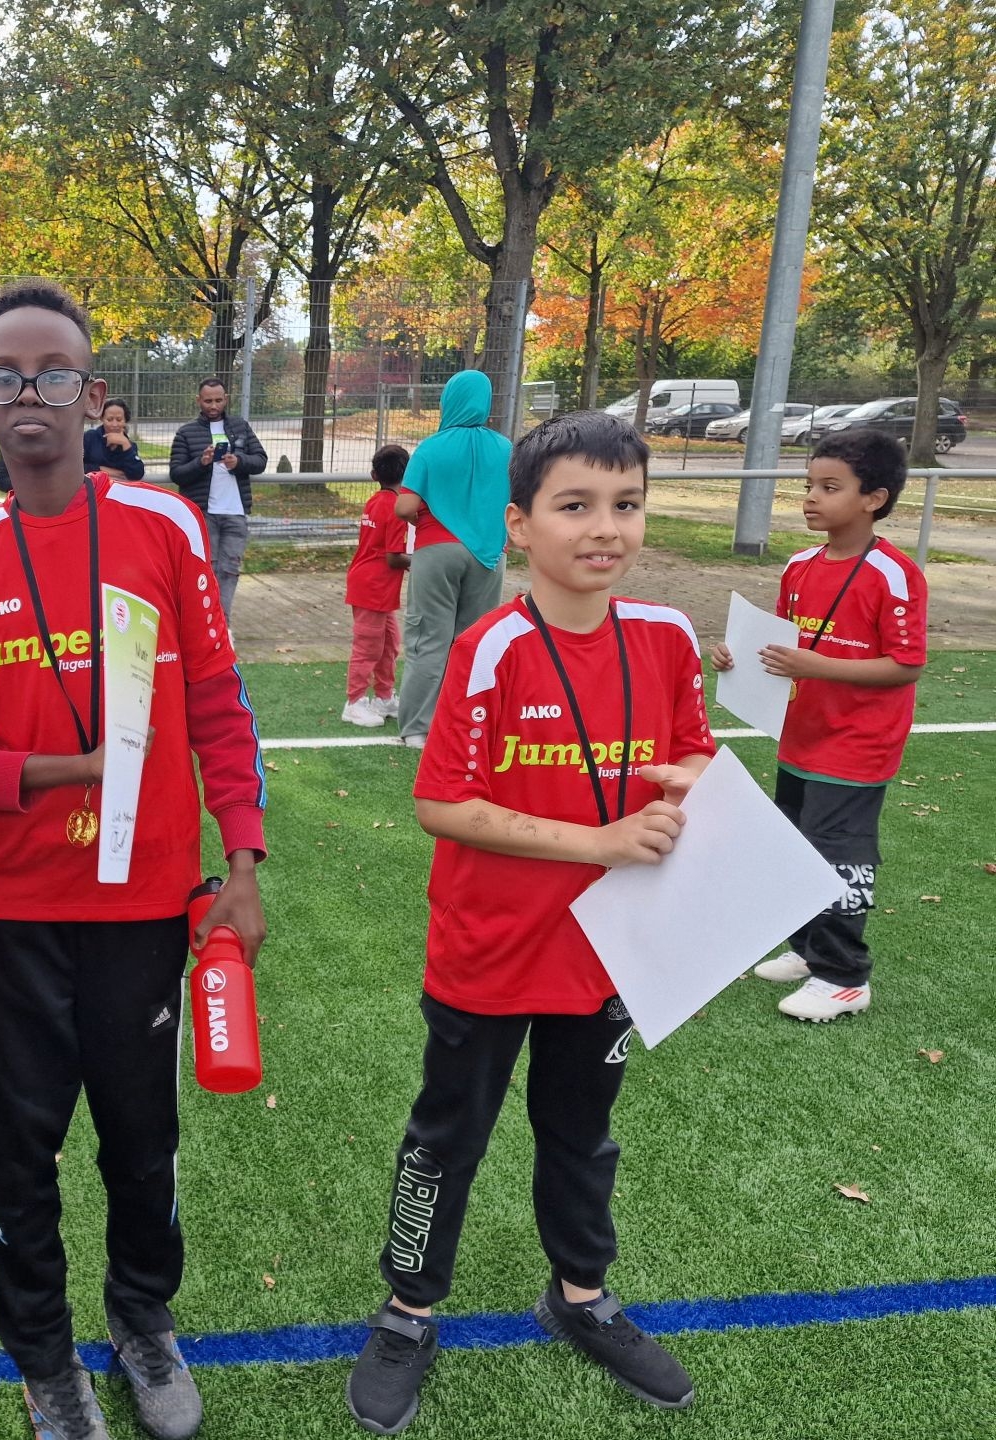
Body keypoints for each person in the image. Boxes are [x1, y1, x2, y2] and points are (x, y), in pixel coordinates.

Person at [0, 281, 268, 1440]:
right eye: (6, 376)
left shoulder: (163, 529)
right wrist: (52, 773)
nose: (31, 394)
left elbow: (218, 703)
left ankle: (140, 1317)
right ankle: (41, 1355)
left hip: (146, 903)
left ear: (92, 396)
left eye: (54, 374)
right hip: (20, 910)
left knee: (140, 1134)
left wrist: (242, 860)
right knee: (23, 1147)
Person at [344, 412, 714, 1436]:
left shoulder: (667, 637)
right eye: (576, 505)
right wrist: (598, 841)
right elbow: (441, 804)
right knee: (446, 1138)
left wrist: (692, 781)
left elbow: (693, 753)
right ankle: (408, 1311)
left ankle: (581, 1296)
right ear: (519, 524)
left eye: (627, 505)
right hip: (491, 953)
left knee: (583, 1136)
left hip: (611, 952)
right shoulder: (491, 648)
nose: (606, 528)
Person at [708, 431, 926, 1022]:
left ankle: (844, 976)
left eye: (830, 487)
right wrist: (737, 657)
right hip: (801, 736)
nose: (810, 497)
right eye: (809, 485)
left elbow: (906, 664)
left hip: (857, 745)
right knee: (794, 847)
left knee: (837, 856)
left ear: (874, 499)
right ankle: (807, 950)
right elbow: (784, 644)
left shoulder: (893, 574)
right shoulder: (800, 566)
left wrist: (817, 666)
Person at [394, 371, 512, 749]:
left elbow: (405, 507)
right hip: (489, 554)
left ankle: (417, 729)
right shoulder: (506, 449)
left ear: (448, 401)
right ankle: (464, 724)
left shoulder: (431, 447)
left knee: (429, 638)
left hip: (436, 550)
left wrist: (424, 520)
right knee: (473, 642)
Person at [167, 376, 267, 617]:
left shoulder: (240, 427)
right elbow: (177, 473)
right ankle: (204, 623)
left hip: (235, 512)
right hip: (203, 513)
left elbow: (260, 460)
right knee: (205, 571)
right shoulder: (186, 433)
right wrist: (201, 463)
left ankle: (223, 624)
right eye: (208, 401)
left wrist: (238, 462)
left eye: (218, 400)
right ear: (198, 400)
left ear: (226, 399)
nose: (213, 406)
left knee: (230, 570)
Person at [343, 444, 412, 727]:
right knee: (368, 647)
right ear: (408, 475)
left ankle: (383, 697)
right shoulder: (397, 507)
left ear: (374, 475)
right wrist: (424, 562)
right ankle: (354, 702)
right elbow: (394, 557)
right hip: (373, 587)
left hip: (373, 586)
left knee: (389, 644)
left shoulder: (375, 500)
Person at [0, 397, 147, 493]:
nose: (114, 424)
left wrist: (126, 445)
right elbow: (75, 467)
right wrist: (103, 471)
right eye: (110, 419)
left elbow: (136, 473)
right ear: (102, 419)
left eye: (119, 419)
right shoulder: (90, 438)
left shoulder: (128, 445)